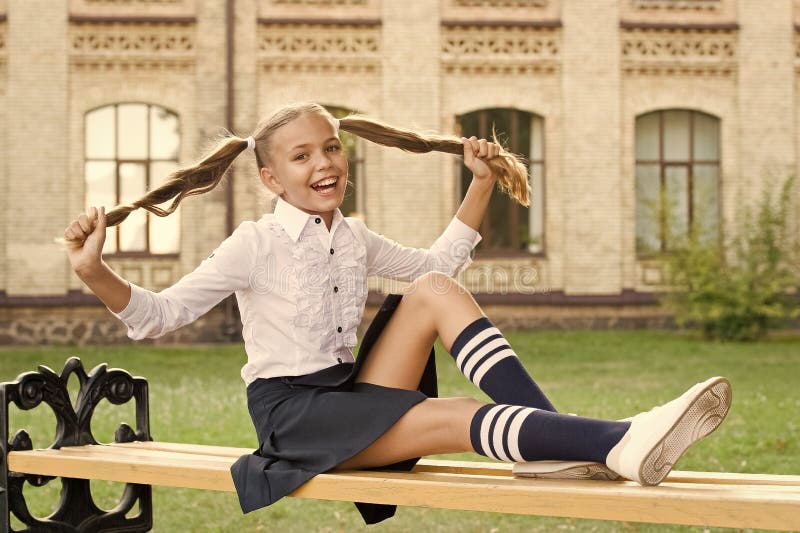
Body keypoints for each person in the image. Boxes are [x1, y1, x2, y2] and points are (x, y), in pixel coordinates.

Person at [63, 102, 732, 524]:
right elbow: (157, 313)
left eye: (330, 147)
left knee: (435, 289)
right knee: (460, 416)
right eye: (302, 156)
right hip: (295, 418)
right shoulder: (255, 244)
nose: (323, 162)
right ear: (272, 179)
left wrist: (478, 181)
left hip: (348, 394)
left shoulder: (352, 235)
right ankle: (617, 440)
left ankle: (554, 443)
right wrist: (95, 270)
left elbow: (441, 262)